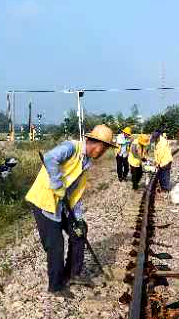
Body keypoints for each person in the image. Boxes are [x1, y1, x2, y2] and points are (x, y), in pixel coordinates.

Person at [25, 124, 116, 296]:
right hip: (44, 201)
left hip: (61, 204)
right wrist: (57, 183)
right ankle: (56, 286)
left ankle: (73, 274)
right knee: (56, 245)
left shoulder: (86, 162)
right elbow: (50, 158)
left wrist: (78, 219)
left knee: (79, 231)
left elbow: (76, 192)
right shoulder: (71, 148)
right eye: (104, 148)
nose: (104, 152)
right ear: (95, 143)